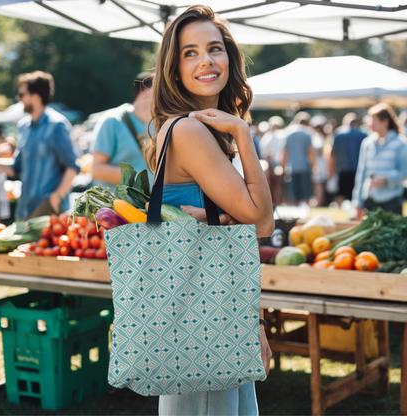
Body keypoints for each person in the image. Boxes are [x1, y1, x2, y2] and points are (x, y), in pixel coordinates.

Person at [144, 5, 274, 415]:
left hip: (214, 309)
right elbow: (263, 219)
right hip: (202, 322)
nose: (206, 61)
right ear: (174, 68)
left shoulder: (198, 127)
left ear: (229, 57)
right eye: (190, 52)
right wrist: (243, 132)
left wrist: (253, 321)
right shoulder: (190, 130)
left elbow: (231, 239)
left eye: (214, 48)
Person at [0, 71, 78, 219]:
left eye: (21, 93)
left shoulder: (57, 125)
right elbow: (16, 167)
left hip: (48, 211)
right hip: (24, 210)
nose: (18, 98)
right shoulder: (23, 126)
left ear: (36, 97)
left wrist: (55, 199)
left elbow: (72, 167)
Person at [91, 72, 154, 190]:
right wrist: (141, 179)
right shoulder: (112, 120)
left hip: (145, 205)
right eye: (160, 89)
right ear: (144, 91)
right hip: (113, 204)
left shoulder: (157, 124)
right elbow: (96, 169)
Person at [353, 103, 407, 219]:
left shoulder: (400, 144)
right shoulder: (367, 143)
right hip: (371, 200)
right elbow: (361, 174)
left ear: (385, 121)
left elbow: (404, 172)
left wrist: (385, 179)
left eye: (374, 120)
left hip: (392, 201)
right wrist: (358, 201)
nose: (370, 124)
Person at [330, 113, 367, 204]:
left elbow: (333, 155)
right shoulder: (363, 135)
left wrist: (330, 172)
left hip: (343, 170)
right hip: (358, 170)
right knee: (356, 194)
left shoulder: (339, 136)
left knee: (341, 196)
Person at [281, 112, 315, 205]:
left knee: (292, 195)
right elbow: (311, 152)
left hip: (291, 168)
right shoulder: (307, 133)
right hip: (304, 167)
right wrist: (313, 166)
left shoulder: (287, 132)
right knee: (305, 194)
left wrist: (283, 167)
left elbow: (284, 152)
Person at [259, 116, 285, 206]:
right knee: (275, 185)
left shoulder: (268, 137)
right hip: (272, 165)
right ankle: (275, 204)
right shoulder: (271, 137)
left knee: (275, 185)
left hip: (273, 165)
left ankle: (276, 204)